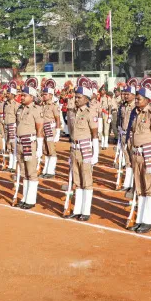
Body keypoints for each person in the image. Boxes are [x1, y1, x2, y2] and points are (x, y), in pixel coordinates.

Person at [127, 80, 151, 234]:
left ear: (148, 100)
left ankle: (149, 220)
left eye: (139, 98)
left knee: (149, 188)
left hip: (148, 154)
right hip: (136, 154)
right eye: (136, 98)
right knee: (140, 187)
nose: (136, 100)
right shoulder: (135, 114)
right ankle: (140, 219)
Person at [63, 85, 99, 221]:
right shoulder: (74, 112)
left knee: (86, 181)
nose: (76, 99)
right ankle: (77, 209)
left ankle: (86, 210)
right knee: (77, 181)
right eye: (75, 97)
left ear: (86, 98)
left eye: (79, 97)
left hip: (85, 150)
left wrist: (95, 155)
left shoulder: (90, 113)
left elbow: (95, 135)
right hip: (74, 149)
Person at [14, 85, 44, 209]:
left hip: (29, 143)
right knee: (23, 171)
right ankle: (25, 197)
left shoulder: (36, 109)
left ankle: (31, 199)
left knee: (31, 172)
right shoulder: (20, 109)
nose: (21, 97)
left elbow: (40, 129)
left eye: (24, 95)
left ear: (31, 97)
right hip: (20, 142)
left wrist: (39, 147)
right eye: (21, 95)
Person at [40, 79, 61, 179]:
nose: (43, 96)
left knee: (51, 150)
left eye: (45, 94)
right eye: (43, 94)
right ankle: (46, 169)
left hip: (50, 129)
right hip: (43, 129)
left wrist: (57, 132)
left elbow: (58, 119)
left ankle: (51, 170)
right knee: (45, 149)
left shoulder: (54, 106)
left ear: (51, 95)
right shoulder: (42, 105)